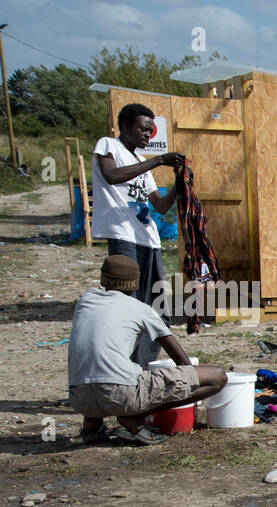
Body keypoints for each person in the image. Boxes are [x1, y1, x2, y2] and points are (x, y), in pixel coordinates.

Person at [68, 255, 227, 446]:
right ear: (135, 283)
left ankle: (92, 424)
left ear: (103, 279)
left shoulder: (86, 300)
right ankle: (136, 418)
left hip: (79, 398)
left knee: (98, 366)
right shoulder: (141, 309)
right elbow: (182, 361)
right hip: (120, 395)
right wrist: (187, 386)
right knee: (217, 377)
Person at [92, 103, 185, 345]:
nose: (147, 134)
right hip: (122, 234)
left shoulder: (141, 162)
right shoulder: (108, 145)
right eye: (143, 129)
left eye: (150, 131)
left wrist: (180, 183)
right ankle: (121, 347)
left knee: (151, 299)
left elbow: (161, 205)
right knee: (126, 296)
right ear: (125, 126)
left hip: (147, 237)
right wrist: (159, 160)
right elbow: (112, 176)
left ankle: (145, 352)